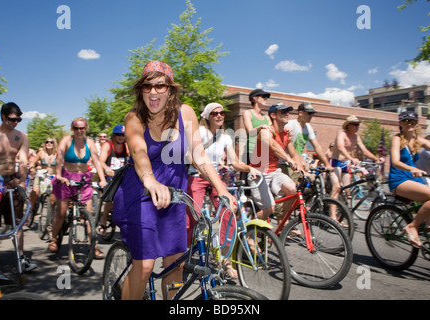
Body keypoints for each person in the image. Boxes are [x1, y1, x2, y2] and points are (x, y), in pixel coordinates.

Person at [112, 60, 237, 300]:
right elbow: (139, 153)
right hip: (140, 192)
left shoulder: (185, 112)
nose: (153, 92)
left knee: (175, 264)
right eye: (147, 87)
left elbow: (199, 155)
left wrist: (221, 188)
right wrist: (150, 181)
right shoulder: (134, 118)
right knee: (145, 264)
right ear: (141, 90)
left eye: (160, 86)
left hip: (175, 195)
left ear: (170, 89)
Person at [186, 102, 261, 278]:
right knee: (193, 216)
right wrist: (200, 170)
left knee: (229, 212)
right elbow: (191, 156)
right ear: (206, 116)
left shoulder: (226, 136)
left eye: (221, 113)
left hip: (214, 178)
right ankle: (183, 255)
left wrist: (250, 168)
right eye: (215, 113)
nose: (219, 115)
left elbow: (234, 162)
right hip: (196, 176)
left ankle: (224, 260)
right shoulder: (201, 133)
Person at [48, 117, 107, 258]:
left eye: (82, 128)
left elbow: (97, 162)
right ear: (72, 129)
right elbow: (59, 158)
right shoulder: (66, 141)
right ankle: (54, 239)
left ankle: (94, 246)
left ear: (86, 128)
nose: (79, 131)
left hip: (84, 179)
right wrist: (59, 175)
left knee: (88, 214)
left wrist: (103, 179)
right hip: (66, 179)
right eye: (76, 128)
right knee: (61, 212)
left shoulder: (90, 143)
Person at [0, 102, 37, 277]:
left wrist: (22, 180)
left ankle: (21, 257)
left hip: (12, 181)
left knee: (17, 222)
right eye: (12, 119)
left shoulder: (21, 136)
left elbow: (23, 160)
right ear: (3, 117)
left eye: (18, 119)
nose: (15, 122)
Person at [388, 112, 430, 247]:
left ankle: (424, 223)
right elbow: (395, 162)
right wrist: (412, 169)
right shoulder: (397, 139)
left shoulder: (419, 140)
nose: (409, 123)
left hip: (414, 180)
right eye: (405, 121)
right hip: (399, 180)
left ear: (417, 123)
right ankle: (412, 226)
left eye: (412, 121)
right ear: (400, 124)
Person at [249, 102, 302, 224]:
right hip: (258, 173)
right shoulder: (266, 130)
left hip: (274, 172)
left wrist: (301, 167)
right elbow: (272, 145)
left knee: (292, 190)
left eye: (288, 112)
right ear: (273, 115)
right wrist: (288, 159)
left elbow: (294, 153)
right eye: (283, 112)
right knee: (269, 209)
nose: (287, 114)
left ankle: (282, 221)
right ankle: (249, 233)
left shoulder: (286, 134)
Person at [329, 115, 382, 212]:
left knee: (347, 191)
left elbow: (364, 151)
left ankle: (342, 213)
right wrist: (351, 158)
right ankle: (332, 216)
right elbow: (341, 147)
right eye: (354, 124)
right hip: (335, 163)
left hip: (345, 164)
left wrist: (375, 159)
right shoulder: (342, 134)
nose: (357, 126)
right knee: (336, 187)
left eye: (358, 124)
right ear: (348, 125)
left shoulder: (356, 137)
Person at [282, 102, 333, 177]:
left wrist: (327, 164)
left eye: (312, 113)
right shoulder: (290, 125)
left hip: (298, 161)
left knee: (314, 181)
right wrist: (301, 160)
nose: (311, 116)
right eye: (309, 113)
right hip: (287, 163)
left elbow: (317, 147)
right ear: (300, 113)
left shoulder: (308, 128)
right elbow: (290, 148)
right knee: (295, 186)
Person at [98, 124, 130, 235]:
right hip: (110, 176)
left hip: (122, 176)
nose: (120, 137)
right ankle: (103, 219)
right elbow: (100, 161)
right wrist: (106, 168)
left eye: (123, 135)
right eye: (118, 135)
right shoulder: (107, 145)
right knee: (111, 199)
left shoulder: (126, 146)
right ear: (114, 136)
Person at [242, 89, 272, 165]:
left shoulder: (267, 117)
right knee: (249, 176)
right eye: (263, 96)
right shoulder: (248, 113)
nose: (266, 99)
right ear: (255, 98)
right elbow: (250, 132)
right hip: (251, 153)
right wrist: (261, 126)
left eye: (266, 97)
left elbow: (273, 133)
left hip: (264, 153)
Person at [28, 137, 58, 214]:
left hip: (52, 177)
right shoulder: (41, 153)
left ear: (55, 144)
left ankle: (50, 217)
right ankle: (29, 211)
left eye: (51, 142)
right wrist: (32, 168)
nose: (49, 143)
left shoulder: (58, 154)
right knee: (35, 192)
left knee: (52, 199)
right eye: (47, 142)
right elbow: (33, 162)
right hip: (42, 176)